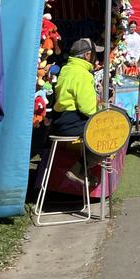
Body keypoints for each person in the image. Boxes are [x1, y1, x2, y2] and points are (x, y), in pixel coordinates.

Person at [51, 38, 102, 182]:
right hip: (74, 123)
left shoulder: (66, 69)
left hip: (60, 121)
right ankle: (81, 168)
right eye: (93, 54)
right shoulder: (83, 74)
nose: (95, 58)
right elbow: (88, 109)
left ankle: (82, 168)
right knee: (109, 134)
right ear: (87, 55)